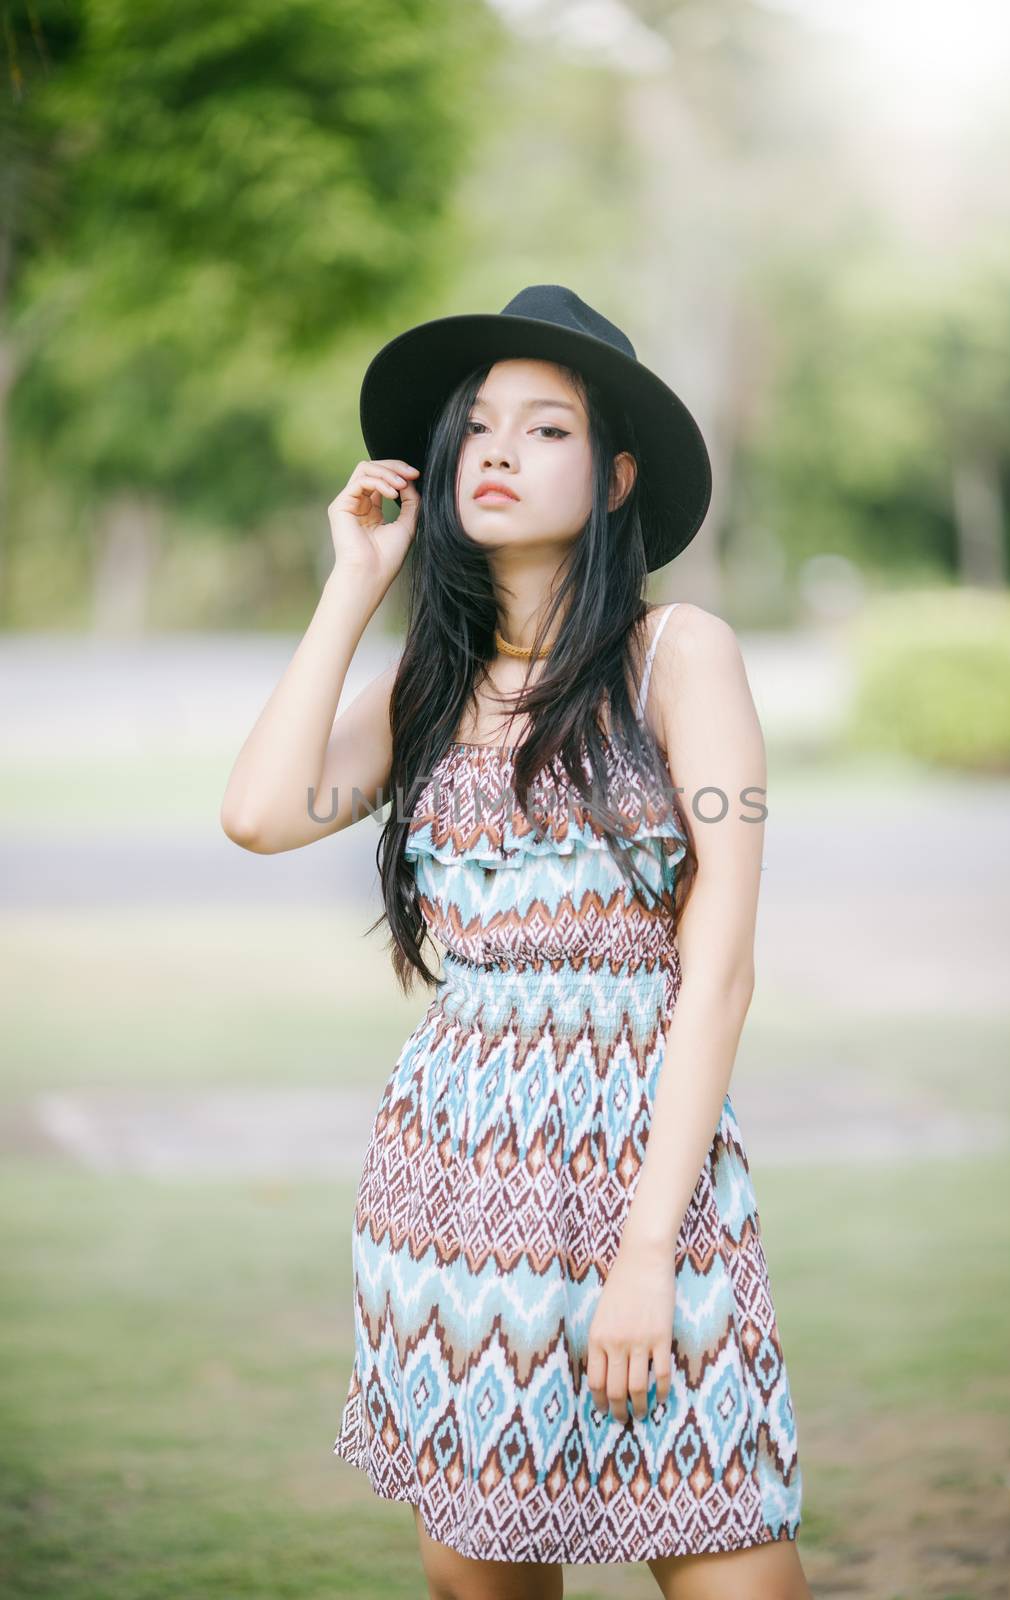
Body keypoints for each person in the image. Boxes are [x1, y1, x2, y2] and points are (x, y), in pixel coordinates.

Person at [221, 285, 812, 1600]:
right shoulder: (430, 687)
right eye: (477, 426)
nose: (493, 449)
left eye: (544, 430)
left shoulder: (677, 658)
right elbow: (257, 815)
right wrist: (355, 583)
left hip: (650, 1181)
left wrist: (646, 1255)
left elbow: (719, 972)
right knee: (477, 1578)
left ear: (614, 480)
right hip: (452, 1189)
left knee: (734, 1566)